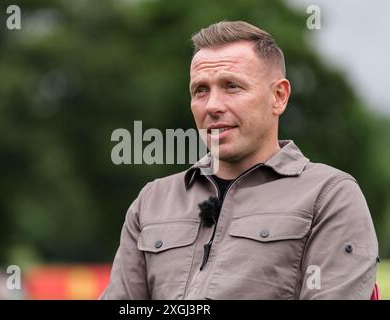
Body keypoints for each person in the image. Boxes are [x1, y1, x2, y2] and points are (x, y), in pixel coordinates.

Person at [100, 20, 379, 299]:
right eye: (200, 90)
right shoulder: (152, 201)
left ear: (278, 96)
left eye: (232, 86)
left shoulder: (330, 196)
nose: (212, 106)